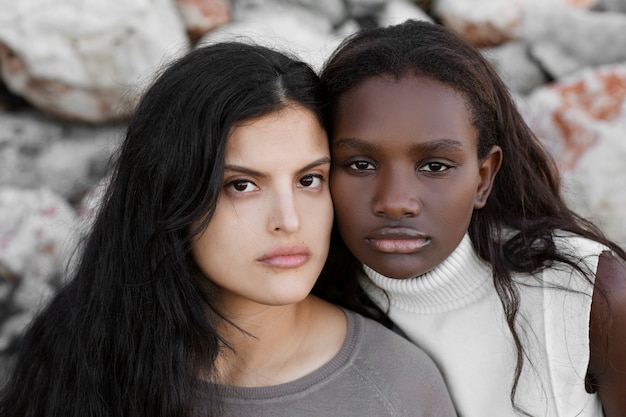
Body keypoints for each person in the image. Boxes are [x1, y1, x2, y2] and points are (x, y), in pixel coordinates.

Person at [0, 42, 457, 417]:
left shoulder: (396, 388)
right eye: (242, 185)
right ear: (171, 195)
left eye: (309, 180)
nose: (289, 219)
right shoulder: (81, 352)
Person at [316, 20, 626, 417]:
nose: (395, 203)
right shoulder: (297, 300)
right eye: (359, 164)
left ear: (483, 177)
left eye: (434, 166)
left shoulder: (584, 296)